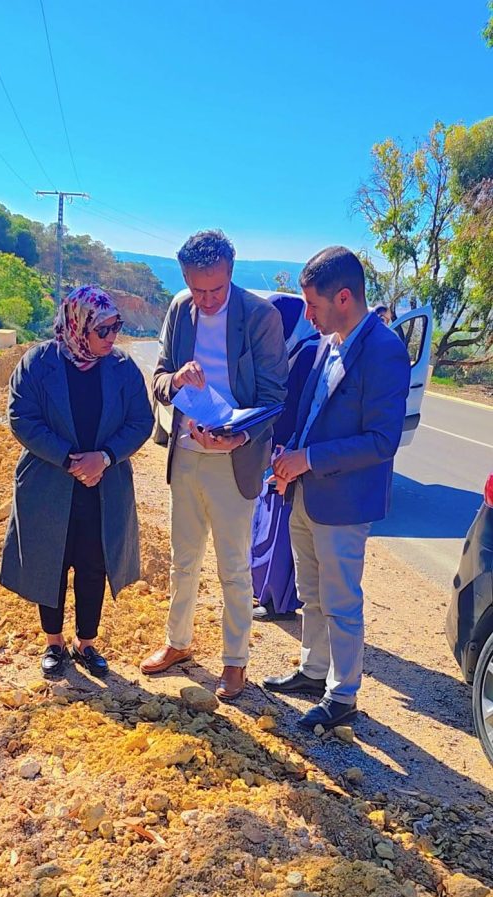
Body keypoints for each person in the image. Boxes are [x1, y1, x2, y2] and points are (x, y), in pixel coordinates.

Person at [263, 247, 410, 730]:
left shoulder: (384, 350)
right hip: (306, 492)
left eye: (314, 305)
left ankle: (343, 695)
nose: (307, 316)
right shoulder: (329, 342)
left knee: (341, 601)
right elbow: (311, 415)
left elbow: (382, 440)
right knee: (311, 591)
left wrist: (308, 459)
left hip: (344, 502)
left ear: (344, 297)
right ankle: (314, 671)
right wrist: (289, 458)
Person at [140, 230, 288, 700]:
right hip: (187, 453)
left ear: (231, 273)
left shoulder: (260, 316)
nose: (205, 300)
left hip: (234, 460)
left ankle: (235, 661)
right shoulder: (179, 308)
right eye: (197, 289)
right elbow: (159, 377)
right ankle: (177, 642)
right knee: (183, 560)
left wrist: (237, 437)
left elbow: (274, 397)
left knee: (233, 568)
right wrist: (175, 379)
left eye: (216, 290)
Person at [0, 285, 154, 678]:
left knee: (93, 563)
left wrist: (104, 457)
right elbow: (22, 418)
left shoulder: (122, 368)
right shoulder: (37, 364)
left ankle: (87, 643)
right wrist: (69, 458)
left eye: (116, 326)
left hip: (103, 486)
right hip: (50, 484)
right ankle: (53, 643)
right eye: (102, 329)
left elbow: (141, 421)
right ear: (77, 326)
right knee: (50, 560)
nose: (111, 336)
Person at [251, 293, 320, 622]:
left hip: (288, 457)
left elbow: (297, 412)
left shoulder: (309, 353)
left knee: (280, 534)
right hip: (275, 451)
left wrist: (283, 451)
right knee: (266, 526)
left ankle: (279, 602)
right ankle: (265, 592)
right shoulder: (289, 352)